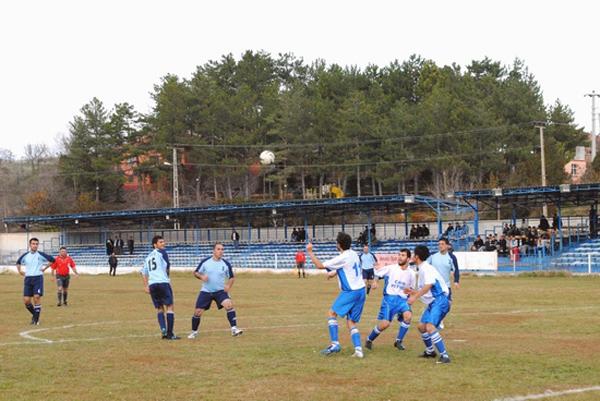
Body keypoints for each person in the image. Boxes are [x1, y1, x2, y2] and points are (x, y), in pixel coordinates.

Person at [306, 232, 366, 358]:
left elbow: (320, 265)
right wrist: (334, 273)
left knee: (331, 313)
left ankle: (335, 344)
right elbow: (348, 268)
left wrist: (310, 252)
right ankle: (358, 350)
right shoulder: (354, 254)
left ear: (339, 244)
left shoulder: (342, 257)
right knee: (351, 322)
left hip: (351, 291)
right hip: (361, 290)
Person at [405, 245, 451, 364]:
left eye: (413, 254)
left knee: (430, 327)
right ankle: (430, 351)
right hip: (434, 302)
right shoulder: (422, 268)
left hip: (440, 300)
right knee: (421, 326)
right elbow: (427, 289)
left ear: (417, 257)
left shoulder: (426, 268)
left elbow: (429, 285)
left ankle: (445, 356)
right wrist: (413, 292)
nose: (412, 256)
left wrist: (415, 296)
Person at [188, 242, 243, 339]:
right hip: (206, 291)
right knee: (197, 312)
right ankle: (194, 332)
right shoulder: (205, 262)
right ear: (213, 251)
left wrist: (228, 286)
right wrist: (201, 276)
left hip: (220, 291)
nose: (221, 251)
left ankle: (234, 329)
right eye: (218, 249)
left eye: (222, 249)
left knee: (229, 305)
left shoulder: (226, 264)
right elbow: (196, 272)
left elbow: (231, 278)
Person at [365, 248, 415, 351]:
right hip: (389, 299)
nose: (400, 257)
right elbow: (378, 274)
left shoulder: (412, 273)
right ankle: (369, 340)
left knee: (408, 317)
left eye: (403, 255)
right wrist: (375, 282)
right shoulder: (392, 268)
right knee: (385, 324)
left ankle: (398, 341)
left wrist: (409, 293)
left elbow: (412, 289)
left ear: (408, 258)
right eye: (399, 255)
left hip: (402, 300)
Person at [141, 235, 179, 340]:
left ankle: (163, 330)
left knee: (159, 308)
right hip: (163, 282)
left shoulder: (148, 257)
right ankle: (170, 334)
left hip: (152, 284)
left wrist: (145, 286)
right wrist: (167, 277)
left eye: (163, 242)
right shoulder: (163, 253)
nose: (163, 244)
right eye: (161, 242)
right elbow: (167, 268)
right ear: (155, 245)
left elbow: (143, 272)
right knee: (170, 307)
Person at [16, 238, 55, 325]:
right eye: (33, 244)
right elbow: (18, 262)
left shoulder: (41, 255)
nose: (35, 245)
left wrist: (44, 268)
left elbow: (52, 260)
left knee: (36, 297)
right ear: (30, 245)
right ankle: (35, 315)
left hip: (38, 278)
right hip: (28, 279)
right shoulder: (25, 255)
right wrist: (20, 271)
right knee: (26, 300)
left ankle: (36, 320)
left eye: (37, 244)